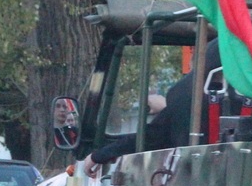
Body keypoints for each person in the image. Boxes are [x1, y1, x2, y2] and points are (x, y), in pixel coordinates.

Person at [82, 41, 222, 178]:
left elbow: (152, 137)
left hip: (194, 181)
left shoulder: (183, 95)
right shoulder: (238, 92)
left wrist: (101, 154)